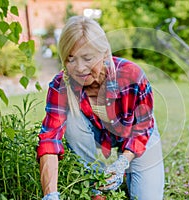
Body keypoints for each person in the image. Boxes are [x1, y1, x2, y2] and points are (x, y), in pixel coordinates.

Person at [37, 16, 164, 200]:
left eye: (87, 58)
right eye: (70, 59)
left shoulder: (131, 76)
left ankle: (128, 173)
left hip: (137, 135)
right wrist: (51, 195)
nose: (79, 68)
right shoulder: (61, 85)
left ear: (104, 53)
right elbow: (49, 139)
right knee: (71, 121)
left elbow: (142, 127)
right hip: (94, 135)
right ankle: (97, 187)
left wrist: (122, 162)